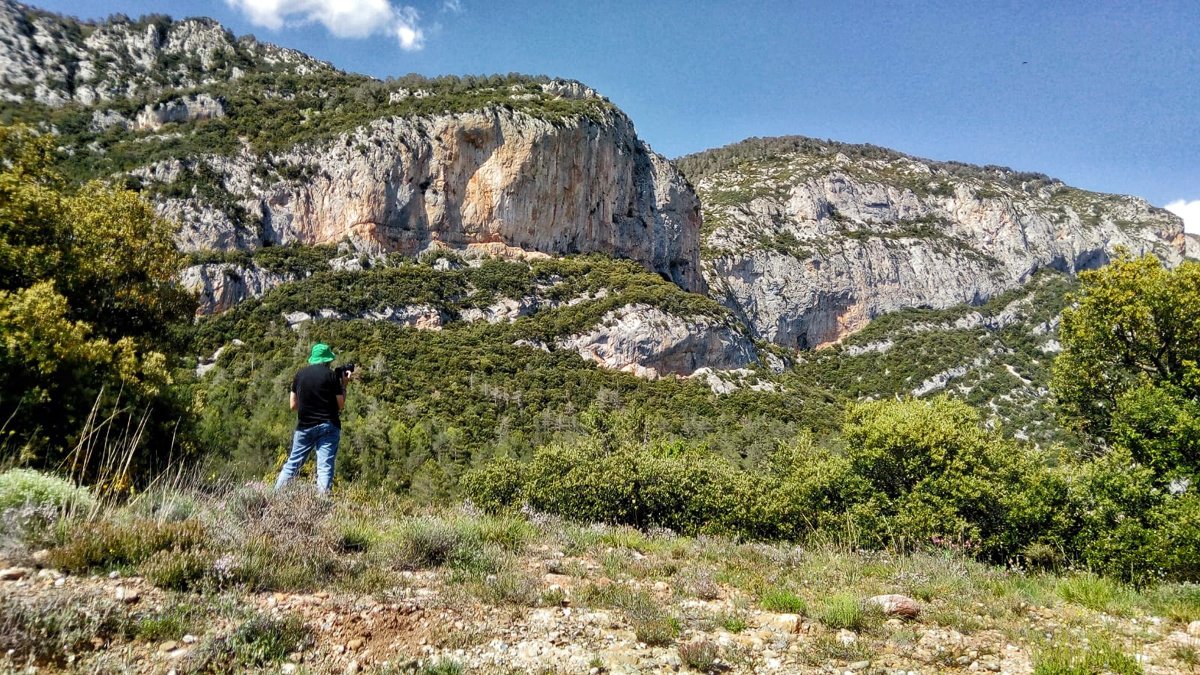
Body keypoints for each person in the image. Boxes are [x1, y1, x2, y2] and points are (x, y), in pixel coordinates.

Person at [275, 343, 351, 493]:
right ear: (328, 360)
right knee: (324, 467)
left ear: (313, 359)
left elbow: (293, 405)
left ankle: (274, 496)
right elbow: (340, 405)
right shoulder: (331, 376)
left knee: (292, 465)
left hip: (305, 426)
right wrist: (344, 385)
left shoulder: (299, 375)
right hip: (328, 426)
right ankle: (322, 505)